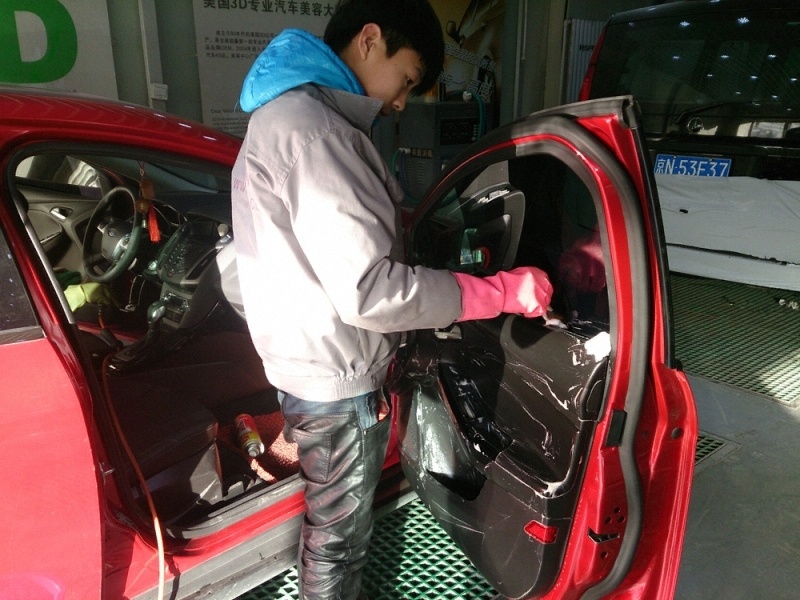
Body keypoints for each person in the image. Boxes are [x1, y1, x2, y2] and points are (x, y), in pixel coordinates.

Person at [231, 1, 553, 598]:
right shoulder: (320, 133)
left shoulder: (286, 117)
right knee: (339, 536)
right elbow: (372, 292)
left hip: (306, 357)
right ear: (370, 39)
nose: (402, 102)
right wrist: (501, 292)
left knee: (330, 519)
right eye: (407, 79)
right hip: (336, 377)